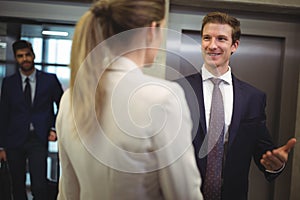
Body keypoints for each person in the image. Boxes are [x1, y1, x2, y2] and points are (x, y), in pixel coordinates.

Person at [56, 0, 203, 199]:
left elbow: (68, 192)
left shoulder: (69, 99)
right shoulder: (163, 97)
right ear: (152, 30)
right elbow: (184, 194)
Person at [176, 11, 297, 200]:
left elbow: (263, 152)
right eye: (207, 38)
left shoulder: (253, 98)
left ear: (234, 46)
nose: (212, 45)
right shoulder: (177, 90)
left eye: (221, 39)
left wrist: (275, 164)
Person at [0, 40, 64, 200]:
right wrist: (1, 146)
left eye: (27, 55)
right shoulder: (8, 83)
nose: (25, 59)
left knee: (39, 186)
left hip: (38, 138)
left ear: (33, 55)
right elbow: (3, 114)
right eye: (20, 56)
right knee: (17, 184)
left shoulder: (49, 80)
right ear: (16, 58)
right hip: (13, 141)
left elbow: (62, 106)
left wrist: (54, 128)